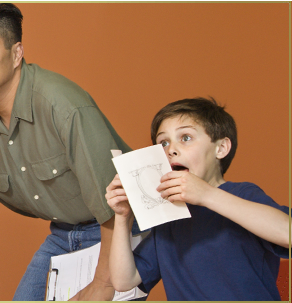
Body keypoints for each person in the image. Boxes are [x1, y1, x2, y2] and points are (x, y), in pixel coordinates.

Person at [0, 3, 132, 300]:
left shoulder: (62, 105)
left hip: (126, 230)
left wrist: (103, 283)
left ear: (16, 53)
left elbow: (115, 205)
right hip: (65, 234)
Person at [105, 97, 290, 300]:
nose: (170, 150)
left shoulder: (243, 194)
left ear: (220, 148)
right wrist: (122, 218)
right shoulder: (168, 216)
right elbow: (123, 281)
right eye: (163, 143)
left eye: (185, 138)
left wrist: (206, 194)